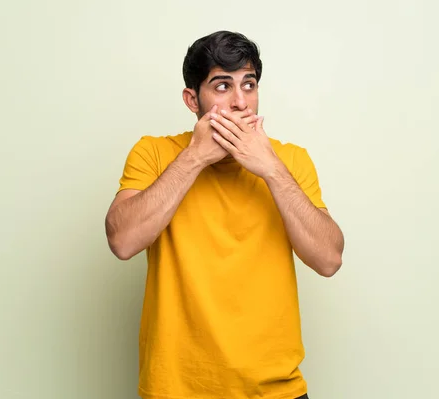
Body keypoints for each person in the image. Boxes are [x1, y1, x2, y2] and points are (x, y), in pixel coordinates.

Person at [105, 30, 344, 399]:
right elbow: (122, 241)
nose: (240, 102)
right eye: (222, 86)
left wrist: (271, 170)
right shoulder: (154, 153)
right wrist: (195, 157)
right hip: (176, 389)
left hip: (276, 391)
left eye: (249, 85)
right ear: (192, 99)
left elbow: (329, 259)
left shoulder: (291, 160)